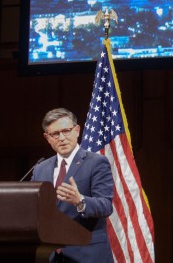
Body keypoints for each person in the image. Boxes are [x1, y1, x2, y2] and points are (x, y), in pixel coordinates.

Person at [32, 108, 115, 262]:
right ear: (47, 137)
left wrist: (80, 201)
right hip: (51, 255)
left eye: (66, 131)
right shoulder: (40, 169)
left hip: (87, 254)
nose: (62, 138)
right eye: (55, 134)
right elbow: (32, 207)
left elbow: (105, 205)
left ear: (77, 130)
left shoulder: (96, 163)